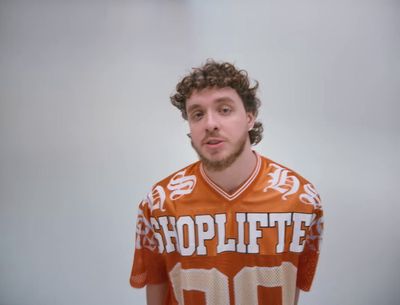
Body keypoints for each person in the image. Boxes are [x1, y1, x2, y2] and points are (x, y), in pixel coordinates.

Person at [129, 60, 324, 305]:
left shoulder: (301, 198)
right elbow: (156, 286)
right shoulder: (159, 202)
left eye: (224, 109)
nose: (210, 124)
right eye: (197, 114)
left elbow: (290, 285)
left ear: (249, 118)